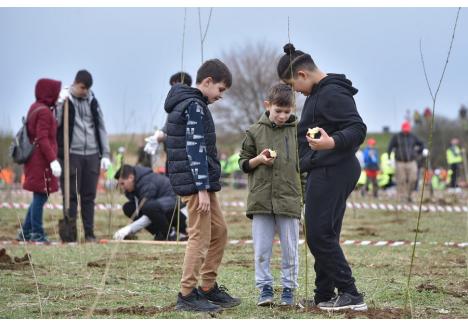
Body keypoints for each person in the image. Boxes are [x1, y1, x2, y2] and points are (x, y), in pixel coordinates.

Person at [277, 43, 368, 311]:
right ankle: (324, 294)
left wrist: (332, 143)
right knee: (325, 233)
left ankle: (350, 294)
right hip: (326, 169)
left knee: (318, 235)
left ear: (303, 75)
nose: (295, 91)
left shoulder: (332, 94)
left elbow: (358, 128)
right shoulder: (318, 95)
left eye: (293, 85)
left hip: (333, 169)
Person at [164, 59, 240, 312]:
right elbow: (194, 149)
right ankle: (187, 294)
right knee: (200, 236)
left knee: (219, 231)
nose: (220, 96)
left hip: (202, 182)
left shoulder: (190, 104)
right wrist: (201, 188)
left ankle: (207, 287)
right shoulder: (194, 106)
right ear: (207, 82)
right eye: (220, 89)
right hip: (196, 184)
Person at [238, 83, 301, 307]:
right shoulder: (254, 131)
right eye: (278, 111)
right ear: (268, 106)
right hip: (260, 200)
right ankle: (264, 288)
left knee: (290, 249)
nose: (283, 116)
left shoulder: (298, 132)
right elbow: (243, 163)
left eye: (287, 111)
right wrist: (259, 160)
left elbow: (304, 167)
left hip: (289, 200)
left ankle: (289, 289)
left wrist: (303, 195)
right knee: (262, 249)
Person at [56, 70, 111, 242]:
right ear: (75, 84)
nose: (85, 91)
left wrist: (106, 153)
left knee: (89, 196)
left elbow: (101, 127)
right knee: (70, 195)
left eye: (87, 88)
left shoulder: (93, 101)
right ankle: (70, 234)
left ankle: (89, 234)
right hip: (71, 154)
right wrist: (58, 104)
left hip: (93, 154)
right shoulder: (64, 100)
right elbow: (56, 122)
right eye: (82, 88)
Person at [17, 78, 62, 243]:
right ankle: (37, 232)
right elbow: (42, 138)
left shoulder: (35, 107)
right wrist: (53, 160)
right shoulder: (43, 112)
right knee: (41, 196)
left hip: (36, 160)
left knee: (39, 196)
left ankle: (26, 231)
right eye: (56, 92)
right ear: (49, 92)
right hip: (41, 161)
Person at [113, 164, 187, 241]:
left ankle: (169, 234)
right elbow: (142, 212)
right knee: (128, 208)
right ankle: (159, 233)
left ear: (131, 177)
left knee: (149, 207)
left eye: (122, 183)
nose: (122, 187)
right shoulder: (134, 187)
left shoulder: (146, 183)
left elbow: (149, 214)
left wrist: (129, 229)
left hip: (178, 209)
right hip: (161, 208)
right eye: (119, 184)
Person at [387, 121, 425, 203]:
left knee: (413, 179)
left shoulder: (413, 137)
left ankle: (410, 195)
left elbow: (422, 144)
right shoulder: (396, 137)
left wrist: (420, 151)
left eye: (407, 129)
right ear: (402, 128)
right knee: (401, 180)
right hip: (400, 162)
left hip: (412, 162)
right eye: (405, 129)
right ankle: (403, 198)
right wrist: (389, 158)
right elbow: (390, 147)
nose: (406, 131)